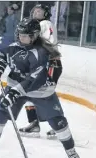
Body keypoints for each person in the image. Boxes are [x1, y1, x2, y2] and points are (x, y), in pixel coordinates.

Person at [0, 17, 81, 158]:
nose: (21, 38)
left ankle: (70, 150)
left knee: (58, 123)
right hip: (16, 86)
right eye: (20, 34)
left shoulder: (41, 53)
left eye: (25, 36)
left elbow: (35, 79)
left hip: (41, 91)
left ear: (34, 36)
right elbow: (3, 53)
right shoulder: (14, 43)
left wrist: (14, 93)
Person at [19, 4, 62, 138]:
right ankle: (35, 123)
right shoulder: (34, 25)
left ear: (46, 14)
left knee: (46, 95)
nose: (37, 12)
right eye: (35, 10)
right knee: (30, 92)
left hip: (49, 64)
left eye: (40, 10)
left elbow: (49, 43)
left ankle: (58, 124)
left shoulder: (46, 24)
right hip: (40, 64)